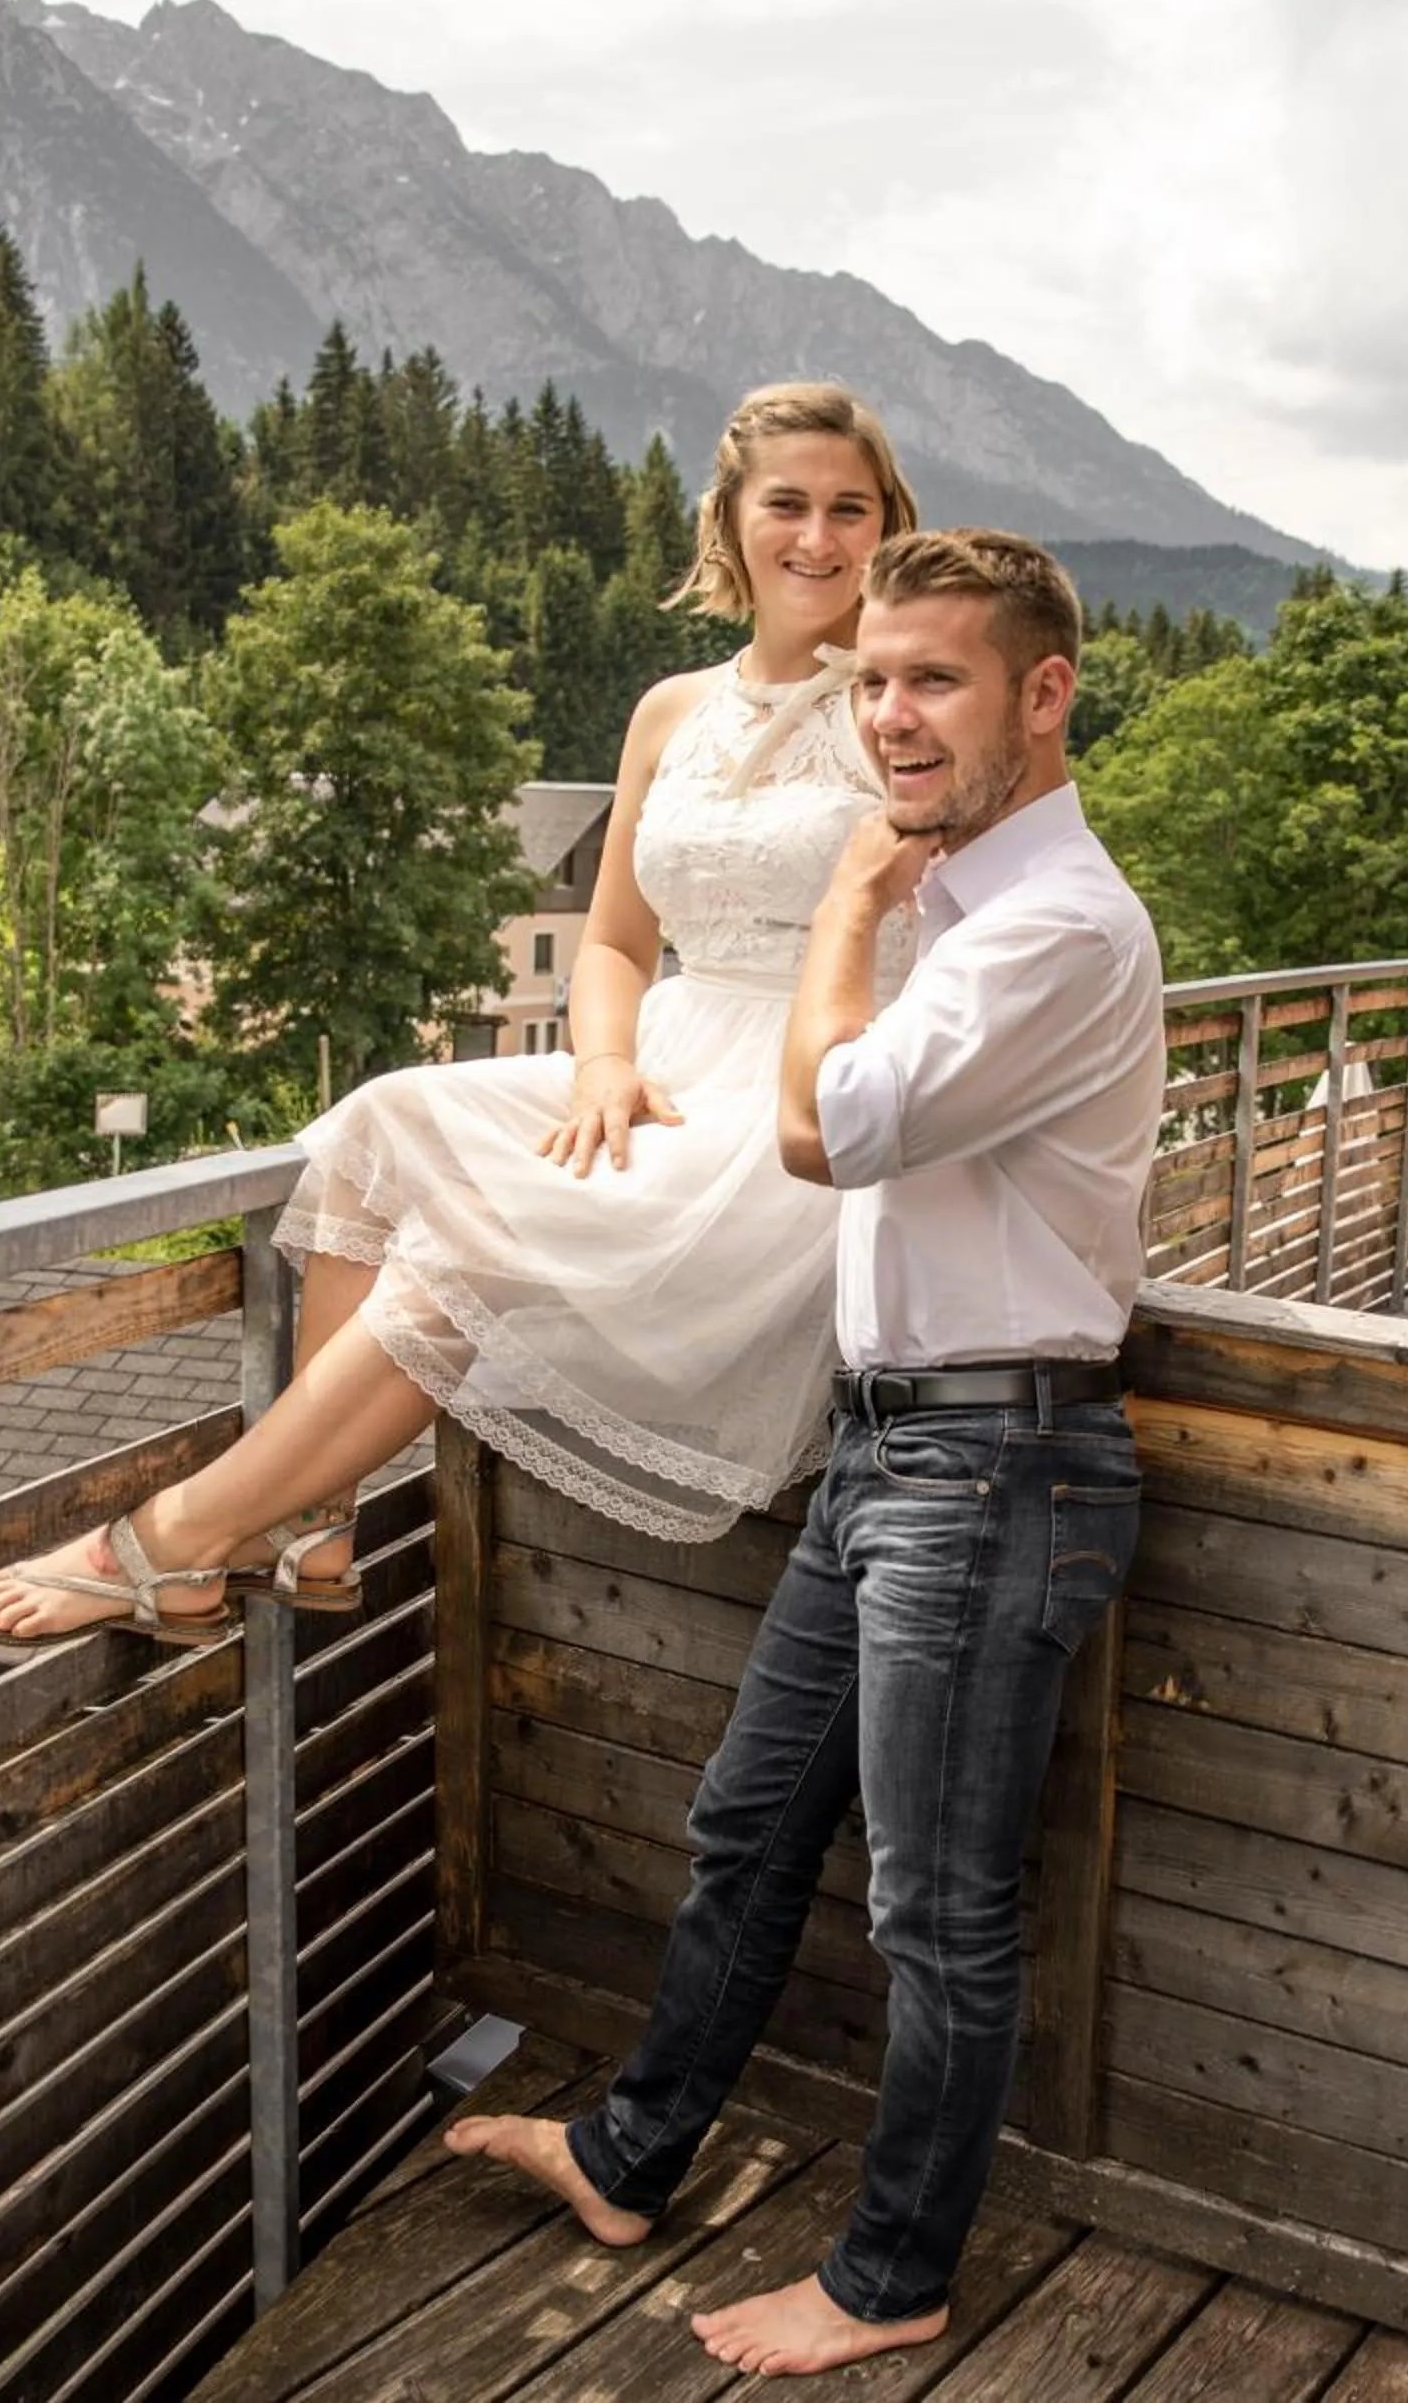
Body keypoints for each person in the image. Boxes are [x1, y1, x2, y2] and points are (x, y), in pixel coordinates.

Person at [448, 528, 1166, 2380]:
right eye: (872, 681)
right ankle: (630, 2151)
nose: (891, 716)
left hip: (997, 1467)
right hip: (893, 1454)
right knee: (748, 1827)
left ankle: (890, 2276)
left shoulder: (1052, 927)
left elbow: (819, 1132)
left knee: (937, 1912)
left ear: (1045, 692)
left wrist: (843, 900)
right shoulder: (965, 901)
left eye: (931, 678)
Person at [0, 384, 921, 1646]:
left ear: (885, 524)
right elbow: (618, 940)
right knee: (373, 1125)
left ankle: (173, 1538)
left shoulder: (902, 702)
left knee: (471, 1248)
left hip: (798, 1089)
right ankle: (312, 1523)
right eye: (785, 503)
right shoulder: (670, 710)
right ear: (727, 522)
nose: (817, 536)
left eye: (849, 509)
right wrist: (602, 1067)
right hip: (667, 1056)